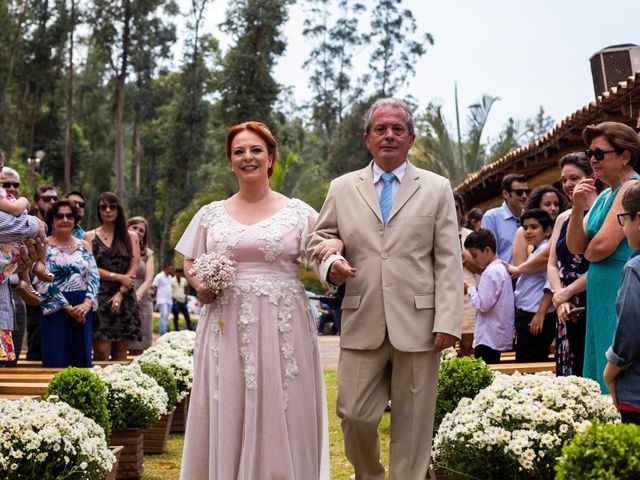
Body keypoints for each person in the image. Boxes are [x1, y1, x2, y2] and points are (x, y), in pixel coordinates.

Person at [308, 98, 463, 480]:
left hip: (421, 324)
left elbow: (448, 258)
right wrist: (331, 263)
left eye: (398, 129)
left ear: (411, 139)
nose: (389, 135)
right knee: (354, 414)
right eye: (381, 129)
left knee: (414, 425)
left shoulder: (437, 188)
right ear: (367, 138)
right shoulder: (342, 188)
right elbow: (320, 240)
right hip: (362, 317)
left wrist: (448, 319)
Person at [176, 121, 328, 480]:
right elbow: (189, 260)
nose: (248, 157)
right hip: (225, 324)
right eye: (239, 151)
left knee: (284, 404)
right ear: (230, 161)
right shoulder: (210, 213)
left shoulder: (299, 212)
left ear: (271, 157)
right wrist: (202, 284)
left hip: (282, 324)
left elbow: (322, 252)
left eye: (256, 150)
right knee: (227, 402)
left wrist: (335, 259)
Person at [567, 121, 640, 392]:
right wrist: (576, 208)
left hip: (620, 290)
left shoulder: (632, 188)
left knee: (616, 371)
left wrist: (589, 248)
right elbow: (576, 247)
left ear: (625, 156)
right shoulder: (604, 194)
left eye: (599, 154)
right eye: (590, 155)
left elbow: (600, 248)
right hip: (601, 295)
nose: (593, 161)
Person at [547, 153, 595, 376]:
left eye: (574, 178)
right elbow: (552, 264)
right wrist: (559, 298)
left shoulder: (598, 213)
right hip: (565, 306)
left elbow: (599, 265)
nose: (567, 185)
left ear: (591, 178)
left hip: (590, 297)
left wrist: (565, 293)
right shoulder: (562, 218)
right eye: (564, 180)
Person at [38, 200, 99, 367]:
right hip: (55, 307)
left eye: (69, 216)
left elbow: (94, 276)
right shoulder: (44, 245)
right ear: (52, 220)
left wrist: (86, 305)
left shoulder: (85, 245)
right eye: (59, 216)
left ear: (75, 220)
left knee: (82, 359)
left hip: (82, 308)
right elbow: (40, 278)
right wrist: (66, 306)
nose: (64, 219)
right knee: (55, 359)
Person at [85, 192, 141, 361]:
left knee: (120, 352)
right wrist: (118, 277)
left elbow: (133, 268)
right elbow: (91, 268)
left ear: (119, 209)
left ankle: (117, 388)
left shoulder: (131, 236)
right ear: (98, 210)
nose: (108, 210)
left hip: (125, 296)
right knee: (101, 350)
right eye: (103, 207)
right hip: (100, 295)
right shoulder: (89, 236)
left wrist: (120, 293)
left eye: (112, 206)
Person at [603, 182, 640, 424]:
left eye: (623, 219)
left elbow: (630, 332)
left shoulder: (635, 268)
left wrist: (610, 370)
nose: (623, 227)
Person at [464, 229, 514, 364]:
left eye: (474, 255)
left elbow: (483, 305)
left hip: (488, 337)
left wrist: (470, 288)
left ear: (487, 250)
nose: (474, 260)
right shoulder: (501, 268)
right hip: (496, 333)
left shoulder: (490, 272)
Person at [514, 209, 555, 363]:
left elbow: (550, 284)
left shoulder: (546, 251)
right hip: (527, 316)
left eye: (534, 227)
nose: (528, 231)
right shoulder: (535, 250)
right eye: (525, 228)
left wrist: (541, 313)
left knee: (530, 364)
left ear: (548, 230)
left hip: (536, 317)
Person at [1, 167, 26, 365]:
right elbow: (14, 227)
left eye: (13, 185)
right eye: (5, 183)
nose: (9, 186)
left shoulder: (11, 203)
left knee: (9, 361)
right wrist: (33, 223)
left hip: (13, 288)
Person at [511, 185, 564, 267]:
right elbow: (519, 267)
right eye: (547, 204)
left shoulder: (562, 227)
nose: (553, 208)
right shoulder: (523, 231)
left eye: (556, 204)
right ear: (537, 206)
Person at [481, 173, 529, 263]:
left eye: (527, 191)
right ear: (506, 194)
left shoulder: (530, 216)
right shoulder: (491, 217)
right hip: (504, 275)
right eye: (519, 192)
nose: (524, 196)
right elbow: (490, 256)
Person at [456, 192, 482, 357]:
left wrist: (464, 258)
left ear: (462, 211)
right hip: (444, 296)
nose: (452, 210)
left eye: (456, 207)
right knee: (446, 348)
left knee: (468, 346)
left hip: (468, 296)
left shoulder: (470, 236)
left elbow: (481, 268)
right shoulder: (433, 233)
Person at [127, 216, 154, 354]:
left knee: (139, 348)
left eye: (141, 230)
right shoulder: (119, 249)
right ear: (127, 228)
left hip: (142, 301)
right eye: (134, 227)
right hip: (120, 297)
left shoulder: (148, 254)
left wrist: (136, 296)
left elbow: (149, 279)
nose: (138, 231)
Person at [153, 265, 173, 335]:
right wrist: (154, 298)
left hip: (169, 300)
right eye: (170, 269)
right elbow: (154, 286)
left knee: (166, 316)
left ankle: (162, 330)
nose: (171, 271)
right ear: (165, 269)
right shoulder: (159, 276)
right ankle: (163, 332)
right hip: (161, 299)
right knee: (163, 314)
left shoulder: (170, 277)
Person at [171, 267, 192, 331]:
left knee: (187, 316)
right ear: (175, 273)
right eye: (177, 272)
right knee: (176, 317)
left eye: (180, 273)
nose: (178, 274)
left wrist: (186, 297)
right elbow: (169, 290)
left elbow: (187, 288)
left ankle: (190, 329)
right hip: (176, 301)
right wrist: (172, 299)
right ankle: (176, 329)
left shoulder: (184, 280)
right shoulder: (172, 280)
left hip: (183, 301)